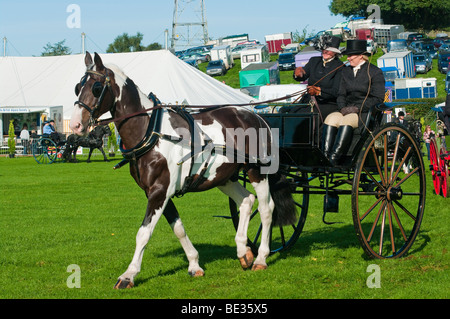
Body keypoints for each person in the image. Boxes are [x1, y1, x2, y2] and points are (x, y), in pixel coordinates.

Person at [322, 39, 386, 165]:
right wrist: (342, 108)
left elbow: (378, 98)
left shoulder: (374, 72)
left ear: (361, 56)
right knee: (330, 118)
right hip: (346, 109)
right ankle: (325, 156)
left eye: (351, 55)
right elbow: (341, 94)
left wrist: (356, 108)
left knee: (346, 120)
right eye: (348, 56)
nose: (348, 58)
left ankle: (334, 158)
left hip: (364, 112)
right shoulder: (345, 72)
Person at [286, 35, 344, 122]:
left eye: (329, 50)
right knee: (288, 112)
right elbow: (303, 75)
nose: (325, 51)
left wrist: (319, 91)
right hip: (309, 100)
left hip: (327, 103)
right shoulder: (314, 61)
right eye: (324, 49)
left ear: (335, 52)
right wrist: (298, 74)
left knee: (304, 117)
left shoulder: (340, 67)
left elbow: (336, 91)